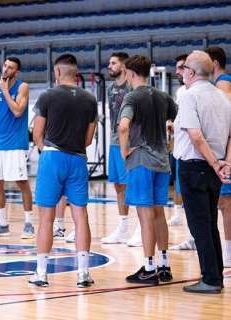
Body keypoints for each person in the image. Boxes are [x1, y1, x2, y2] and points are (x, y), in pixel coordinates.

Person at [30, 54, 98, 288]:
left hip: (52, 157)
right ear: (75, 73)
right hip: (78, 158)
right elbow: (89, 139)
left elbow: (37, 134)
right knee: (81, 217)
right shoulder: (90, 99)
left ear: (57, 72)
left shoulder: (47, 96)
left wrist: (45, 150)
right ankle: (83, 274)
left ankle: (41, 274)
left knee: (46, 219)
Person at [174, 50, 231, 294]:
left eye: (184, 67)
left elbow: (196, 136)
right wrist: (224, 162)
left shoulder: (190, 96)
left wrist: (215, 163)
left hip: (196, 165)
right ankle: (215, 274)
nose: (182, 71)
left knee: (200, 225)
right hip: (213, 166)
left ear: (192, 72)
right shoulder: (223, 97)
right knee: (209, 222)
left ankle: (210, 278)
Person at [118, 55, 177, 285]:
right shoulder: (163, 96)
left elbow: (124, 126)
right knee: (159, 213)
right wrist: (169, 137)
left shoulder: (132, 96)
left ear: (130, 73)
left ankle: (149, 267)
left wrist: (124, 151)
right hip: (162, 160)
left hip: (142, 160)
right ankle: (164, 265)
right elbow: (175, 119)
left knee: (145, 216)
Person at [0, 57, 34, 239]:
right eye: (5, 65)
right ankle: (2, 224)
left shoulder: (22, 87)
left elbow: (18, 111)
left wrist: (5, 91)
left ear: (16, 72)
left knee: (21, 182)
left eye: (10, 67)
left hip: (16, 144)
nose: (6, 69)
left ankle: (29, 224)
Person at [101, 52, 141, 246]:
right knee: (118, 186)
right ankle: (123, 229)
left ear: (124, 66)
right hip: (114, 142)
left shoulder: (132, 88)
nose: (109, 66)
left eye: (113, 63)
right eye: (109, 63)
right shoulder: (110, 89)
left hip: (130, 143)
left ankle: (141, 229)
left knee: (134, 185)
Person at [205, 46, 231, 268]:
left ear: (213, 63)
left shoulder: (223, 83)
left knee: (225, 203)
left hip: (226, 151)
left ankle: (229, 252)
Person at [169, 54, 197, 251]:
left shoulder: (194, 93)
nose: (178, 72)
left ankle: (194, 238)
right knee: (184, 193)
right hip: (182, 150)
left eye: (182, 67)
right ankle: (191, 235)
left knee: (196, 200)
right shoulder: (180, 91)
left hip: (195, 152)